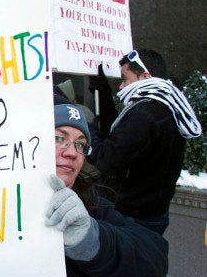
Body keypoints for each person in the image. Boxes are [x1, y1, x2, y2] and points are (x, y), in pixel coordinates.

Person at [48, 98, 168, 276]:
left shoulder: (91, 204)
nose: (72, 152)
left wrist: (91, 240)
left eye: (80, 144)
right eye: (58, 138)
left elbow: (155, 259)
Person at [87, 49, 202, 234]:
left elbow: (105, 157)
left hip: (132, 217)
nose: (121, 86)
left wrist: (87, 129)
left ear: (145, 76)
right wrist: (104, 95)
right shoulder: (165, 105)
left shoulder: (145, 114)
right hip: (151, 213)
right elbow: (121, 137)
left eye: (125, 78)